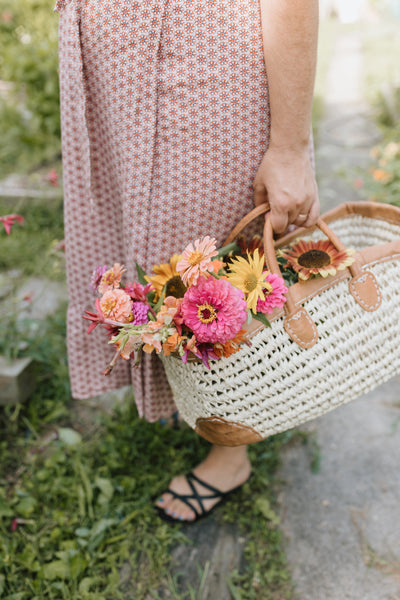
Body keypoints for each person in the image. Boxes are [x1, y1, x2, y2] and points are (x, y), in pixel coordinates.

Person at [56, 0, 320, 523]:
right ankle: (187, 395)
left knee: (217, 257)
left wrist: (289, 147)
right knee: (145, 242)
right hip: (116, 62)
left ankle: (233, 445)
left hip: (198, 52)